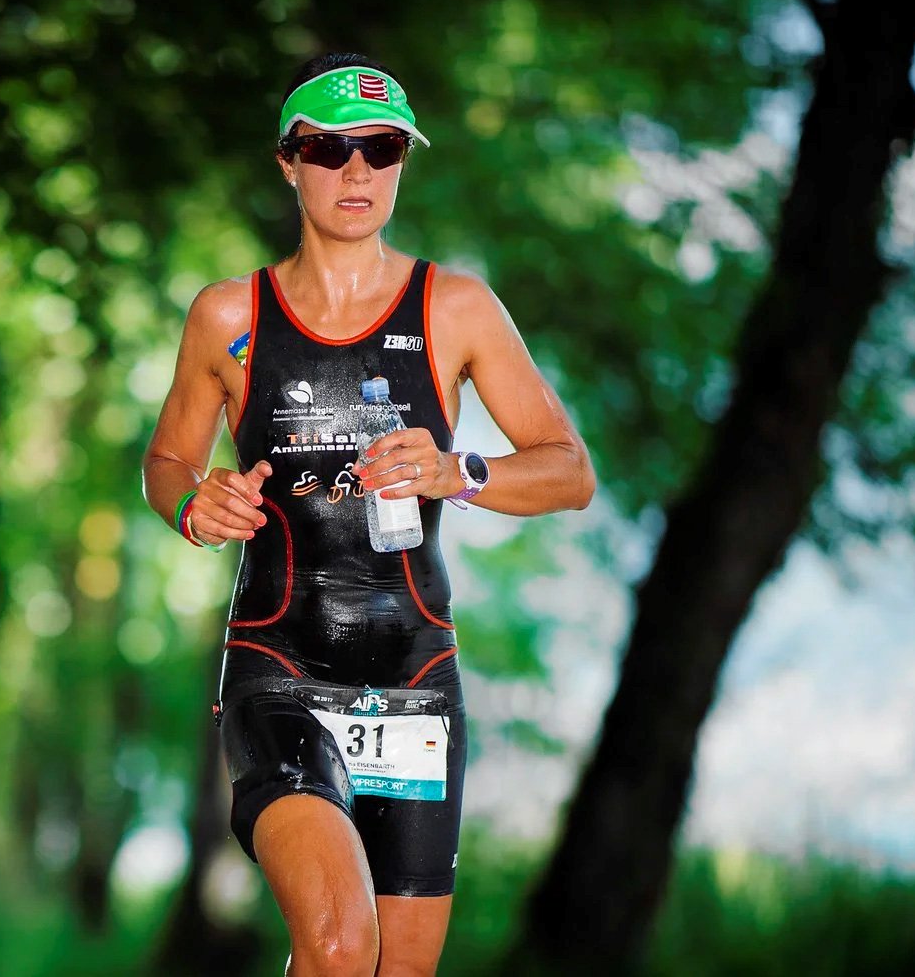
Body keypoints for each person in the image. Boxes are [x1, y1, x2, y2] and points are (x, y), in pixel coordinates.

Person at [141, 52, 594, 975]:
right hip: (280, 665)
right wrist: (195, 503)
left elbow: (568, 471)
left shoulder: (456, 308)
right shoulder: (227, 314)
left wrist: (458, 470)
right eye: (332, 148)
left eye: (381, 149)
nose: (357, 172)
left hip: (416, 674)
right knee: (341, 946)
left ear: (402, 163)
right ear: (288, 162)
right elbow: (167, 461)